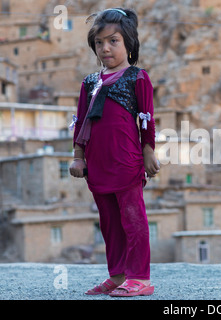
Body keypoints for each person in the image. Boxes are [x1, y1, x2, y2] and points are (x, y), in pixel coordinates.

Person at [69, 7, 159, 297]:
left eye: (113, 41)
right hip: (97, 166)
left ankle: (140, 277)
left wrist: (149, 152)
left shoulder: (137, 77)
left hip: (127, 163)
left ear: (128, 44)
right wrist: (78, 156)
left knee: (133, 220)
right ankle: (118, 275)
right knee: (109, 223)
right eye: (99, 42)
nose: (105, 48)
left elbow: (146, 117)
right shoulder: (89, 83)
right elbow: (81, 121)